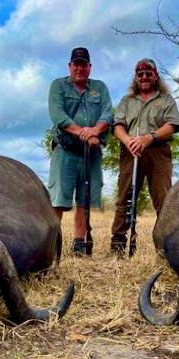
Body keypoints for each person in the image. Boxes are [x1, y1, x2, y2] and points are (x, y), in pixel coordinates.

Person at [110, 58, 179, 255]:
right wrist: (129, 141)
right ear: (135, 77)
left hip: (157, 151)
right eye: (140, 74)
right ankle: (117, 246)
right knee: (124, 198)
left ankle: (166, 245)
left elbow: (173, 125)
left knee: (163, 199)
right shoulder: (126, 100)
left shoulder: (166, 99)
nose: (144, 77)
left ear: (155, 75)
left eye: (148, 73)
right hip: (130, 150)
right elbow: (117, 126)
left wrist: (149, 137)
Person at [48, 47, 114, 256]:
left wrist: (95, 131)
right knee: (57, 200)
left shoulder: (99, 88)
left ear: (89, 67)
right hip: (65, 151)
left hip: (91, 154)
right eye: (76, 63)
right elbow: (58, 116)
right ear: (70, 66)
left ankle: (79, 244)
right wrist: (85, 133)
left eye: (83, 64)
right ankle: (50, 244)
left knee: (85, 200)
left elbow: (108, 114)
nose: (79, 68)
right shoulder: (58, 86)